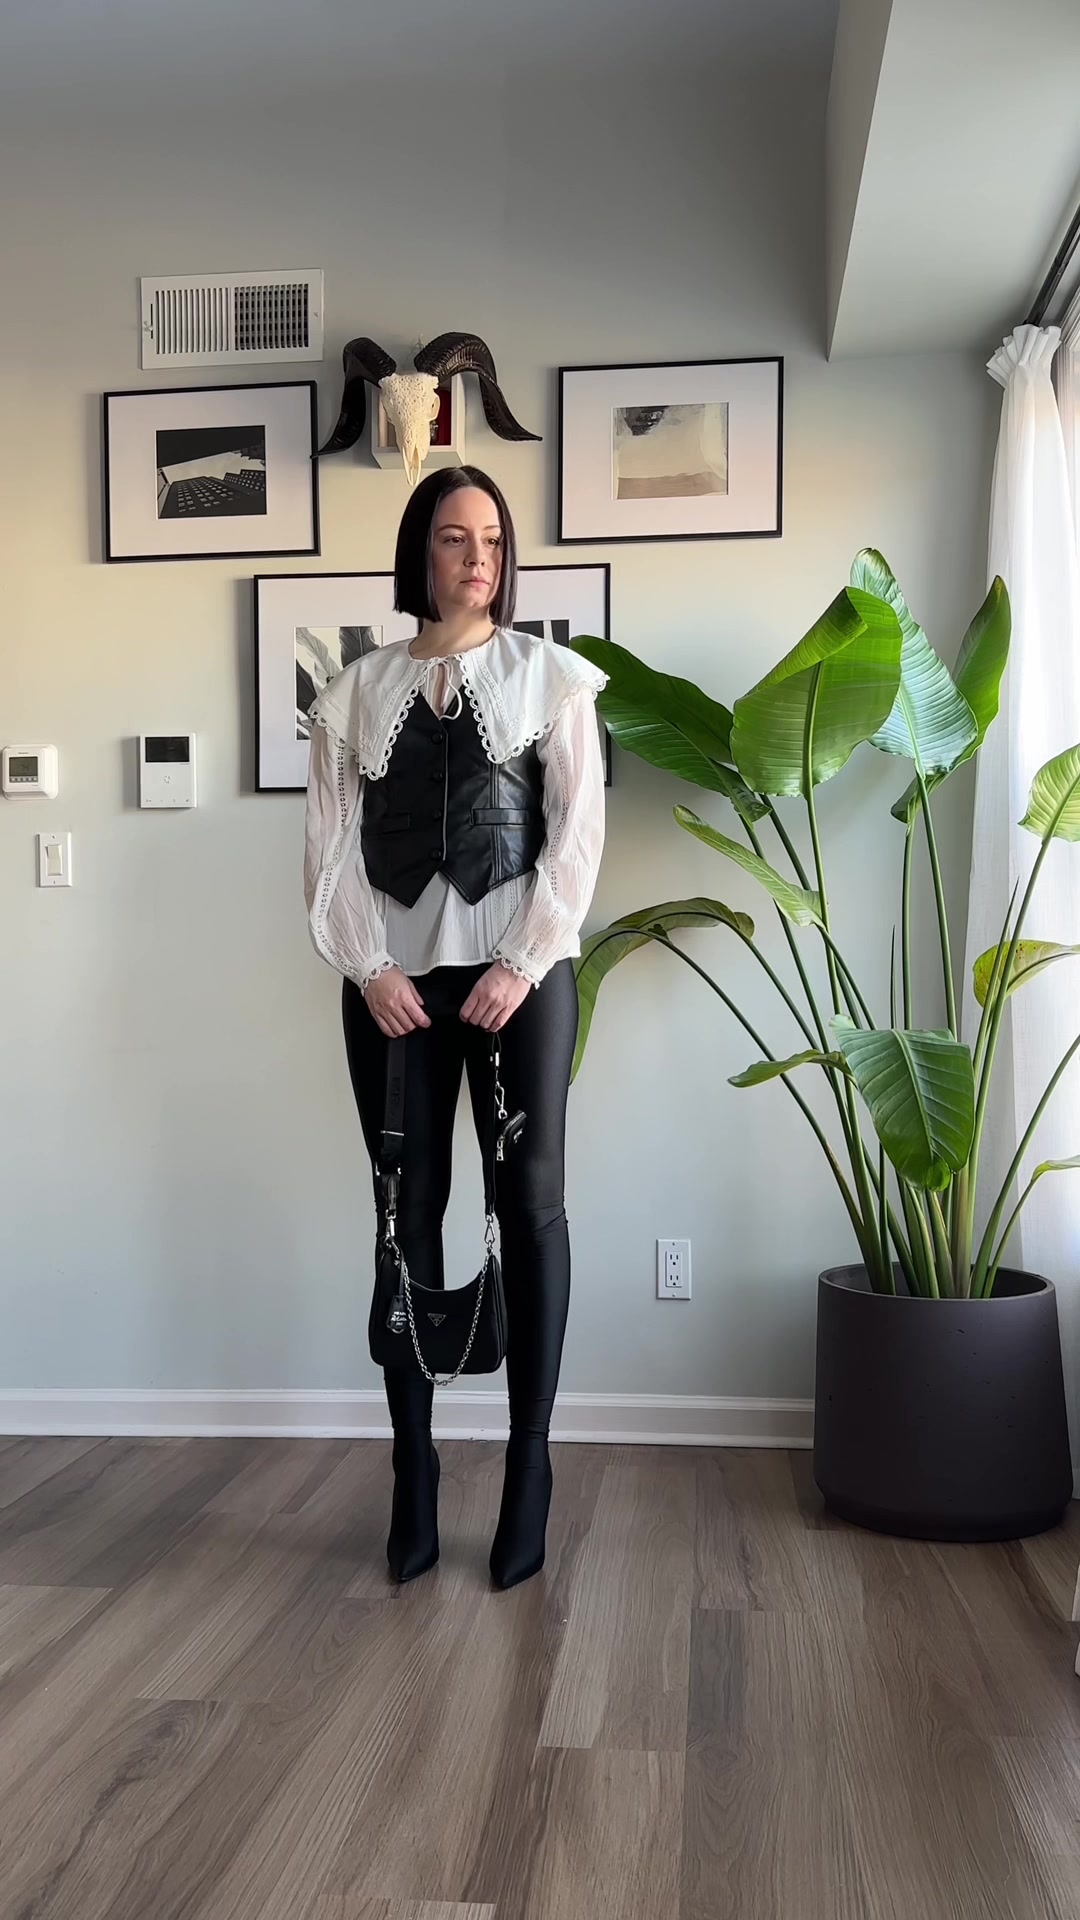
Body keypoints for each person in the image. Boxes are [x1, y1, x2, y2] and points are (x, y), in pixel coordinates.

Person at [303, 465, 609, 1589]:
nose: (475, 557)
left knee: (529, 1210)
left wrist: (522, 961)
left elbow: (575, 835)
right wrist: (371, 966)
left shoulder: (551, 678)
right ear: (419, 553)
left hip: (521, 981)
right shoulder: (356, 692)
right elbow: (329, 847)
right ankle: (414, 1470)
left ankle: (530, 1466)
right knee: (407, 1213)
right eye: (452, 537)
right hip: (394, 986)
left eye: (491, 540)